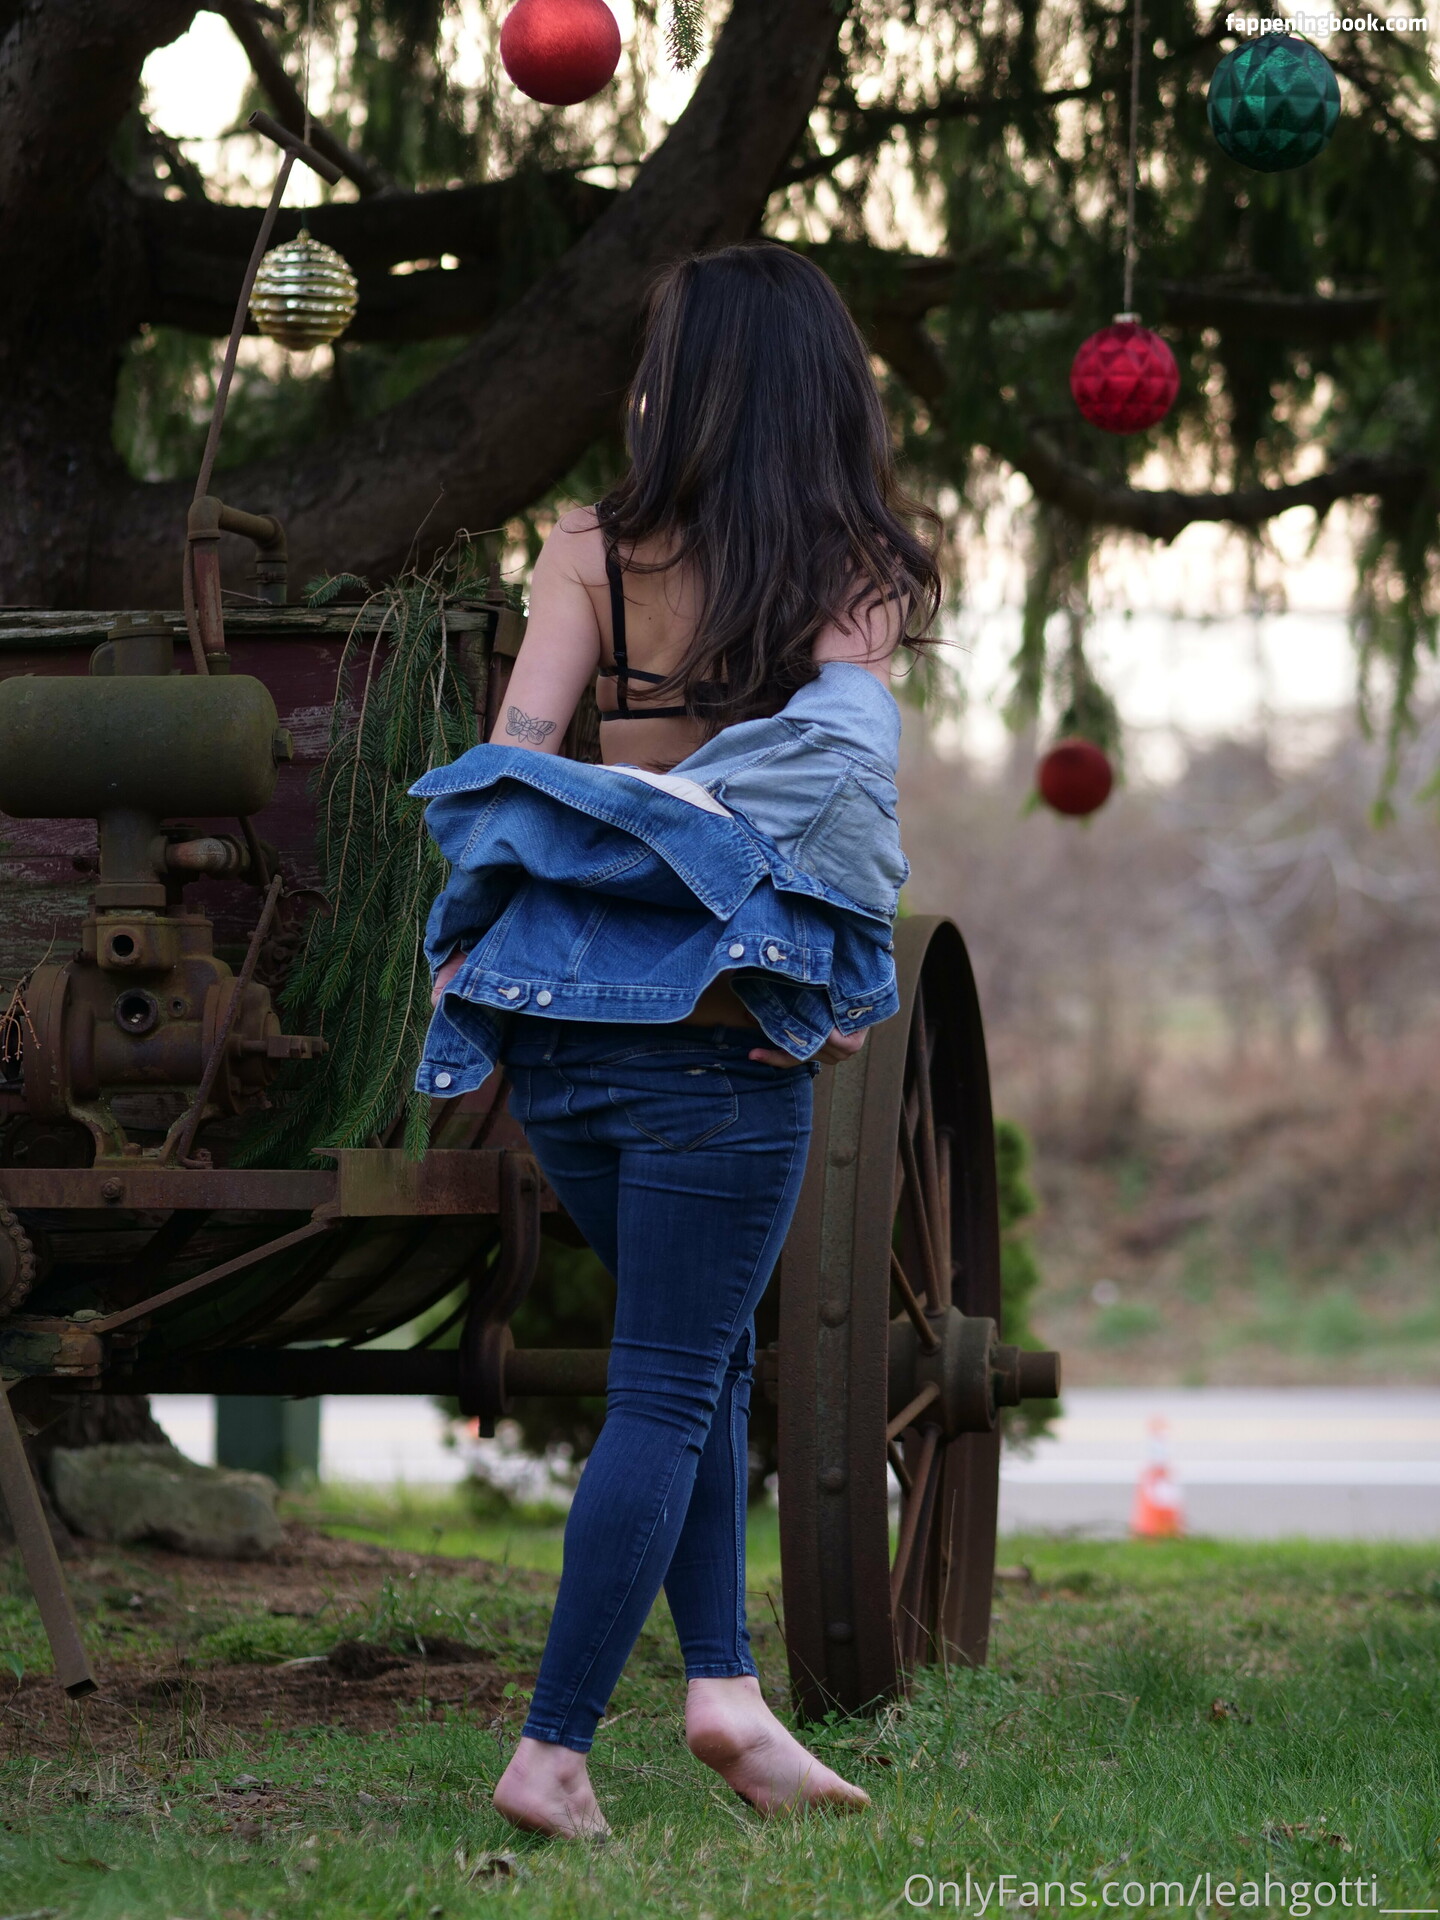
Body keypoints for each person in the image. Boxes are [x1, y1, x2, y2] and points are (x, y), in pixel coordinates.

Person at [411, 242, 941, 1838]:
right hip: (719, 1044)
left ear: (683, 380)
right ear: (822, 388)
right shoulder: (854, 565)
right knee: (666, 1382)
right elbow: (838, 801)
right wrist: (835, 989)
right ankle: (552, 1751)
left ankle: (727, 1698)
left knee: (699, 1362)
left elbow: (514, 770)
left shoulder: (592, 546)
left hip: (566, 1036)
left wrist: (467, 962)